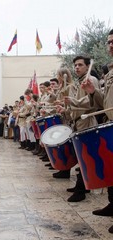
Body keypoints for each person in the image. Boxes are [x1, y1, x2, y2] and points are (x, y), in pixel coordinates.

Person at [81, 29, 113, 233]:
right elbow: (105, 103)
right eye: (109, 42)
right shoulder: (110, 72)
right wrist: (94, 92)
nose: (110, 45)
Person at [61, 55, 100, 202]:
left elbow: (92, 102)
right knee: (81, 156)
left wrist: (74, 102)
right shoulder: (79, 82)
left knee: (86, 156)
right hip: (78, 122)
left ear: (87, 66)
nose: (77, 67)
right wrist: (67, 109)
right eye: (75, 65)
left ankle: (81, 189)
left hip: (87, 121)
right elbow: (75, 105)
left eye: (80, 65)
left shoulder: (92, 80)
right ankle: (83, 185)